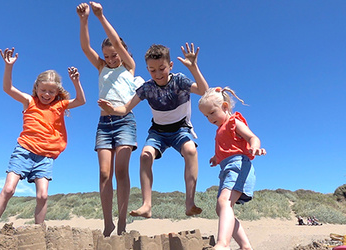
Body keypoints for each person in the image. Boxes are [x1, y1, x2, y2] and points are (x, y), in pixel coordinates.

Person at [98, 43, 208, 218]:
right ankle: (147, 205)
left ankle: (189, 202)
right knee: (145, 155)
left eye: (161, 69)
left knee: (190, 150)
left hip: (180, 128)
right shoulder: (147, 87)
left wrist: (193, 68)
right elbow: (126, 109)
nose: (157, 74)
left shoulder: (179, 80)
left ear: (170, 66)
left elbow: (204, 91)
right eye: (152, 70)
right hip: (158, 131)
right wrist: (112, 110)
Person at [0, 48, 86, 236]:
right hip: (23, 150)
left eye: (51, 91)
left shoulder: (59, 105)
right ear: (36, 88)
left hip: (45, 157)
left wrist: (76, 82)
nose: (47, 94)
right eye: (43, 90)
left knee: (43, 195)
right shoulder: (29, 101)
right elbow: (8, 89)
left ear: (57, 92)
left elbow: (81, 100)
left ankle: (38, 232)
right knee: (8, 189)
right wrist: (9, 66)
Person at [76, 2, 143, 236]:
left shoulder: (129, 67)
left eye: (114, 54)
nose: (111, 59)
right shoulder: (102, 68)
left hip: (125, 122)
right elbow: (86, 48)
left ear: (122, 52)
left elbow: (114, 40)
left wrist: (100, 17)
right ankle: (108, 223)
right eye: (107, 56)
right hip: (104, 125)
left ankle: (122, 221)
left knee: (121, 172)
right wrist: (84, 20)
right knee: (104, 174)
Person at [198, 87, 266, 250]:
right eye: (206, 116)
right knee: (220, 208)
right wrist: (216, 158)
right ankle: (245, 246)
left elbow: (252, 137)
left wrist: (255, 147)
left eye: (212, 112)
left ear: (225, 107)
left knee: (224, 202)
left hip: (239, 166)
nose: (209, 118)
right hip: (226, 169)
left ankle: (223, 243)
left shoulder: (234, 122)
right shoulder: (220, 130)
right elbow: (227, 148)